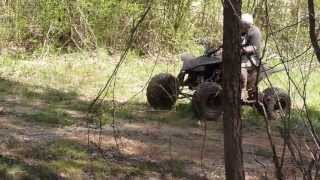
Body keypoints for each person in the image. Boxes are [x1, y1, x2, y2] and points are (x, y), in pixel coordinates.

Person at [240, 13, 262, 101]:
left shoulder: (255, 32)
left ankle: (243, 90)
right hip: (243, 55)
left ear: (247, 25)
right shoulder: (242, 30)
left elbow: (254, 47)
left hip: (253, 58)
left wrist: (242, 50)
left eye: (243, 25)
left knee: (240, 67)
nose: (241, 27)